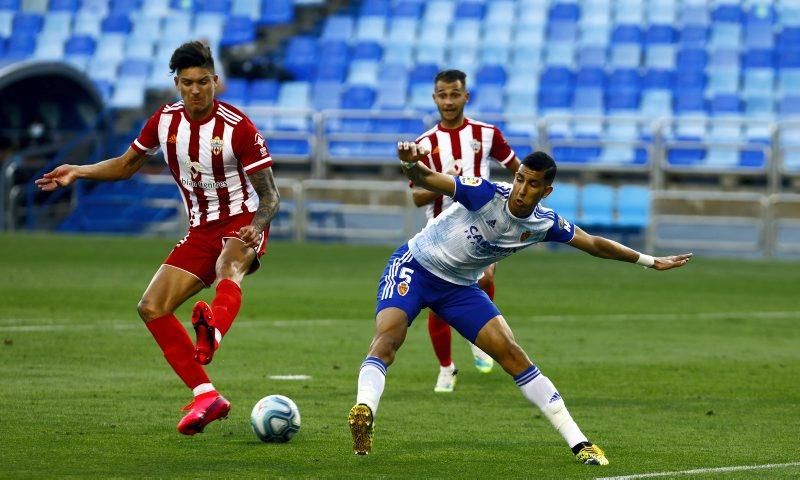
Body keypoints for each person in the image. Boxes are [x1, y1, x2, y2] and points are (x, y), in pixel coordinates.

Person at [348, 145, 692, 464]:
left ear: (546, 191)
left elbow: (595, 244)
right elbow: (427, 179)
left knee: (513, 354)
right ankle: (364, 411)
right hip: (416, 266)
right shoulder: (484, 193)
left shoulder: (545, 223)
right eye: (520, 179)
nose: (521, 189)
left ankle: (580, 443)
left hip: (460, 289)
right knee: (389, 338)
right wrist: (410, 162)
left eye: (532, 184)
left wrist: (650, 261)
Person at [35, 41, 280, 435]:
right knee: (151, 306)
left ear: (215, 81)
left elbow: (269, 194)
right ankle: (206, 395)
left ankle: (211, 330)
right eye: (187, 83)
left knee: (227, 266)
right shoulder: (164, 121)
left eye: (203, 82)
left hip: (242, 220)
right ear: (177, 84)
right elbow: (126, 165)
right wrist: (78, 171)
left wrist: (259, 223)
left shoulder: (239, 128)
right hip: (201, 228)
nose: (196, 90)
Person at [413, 69, 521, 392]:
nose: (448, 101)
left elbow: (519, 171)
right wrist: (446, 182)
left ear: (466, 96)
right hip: (439, 232)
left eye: (454, 94)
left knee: (485, 278)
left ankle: (478, 339)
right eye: (442, 95)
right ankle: (446, 368)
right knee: (437, 303)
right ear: (434, 98)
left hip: (484, 227)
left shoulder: (487, 134)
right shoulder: (424, 145)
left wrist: (513, 205)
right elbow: (417, 195)